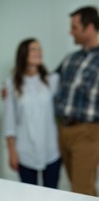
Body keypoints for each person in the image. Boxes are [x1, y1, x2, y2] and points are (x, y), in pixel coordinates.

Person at [54, 6, 99, 196]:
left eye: (74, 27)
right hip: (63, 130)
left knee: (82, 190)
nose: (70, 32)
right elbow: (47, 83)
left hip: (87, 133)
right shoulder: (70, 59)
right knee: (74, 189)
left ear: (89, 28)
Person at [3, 38, 61, 188]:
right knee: (29, 199)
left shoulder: (52, 81)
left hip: (51, 150)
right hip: (25, 152)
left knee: (52, 196)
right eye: (33, 49)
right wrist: (12, 152)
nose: (38, 52)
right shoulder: (12, 84)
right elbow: (9, 122)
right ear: (23, 54)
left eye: (40, 49)